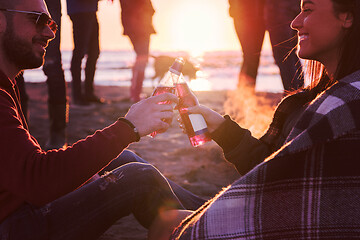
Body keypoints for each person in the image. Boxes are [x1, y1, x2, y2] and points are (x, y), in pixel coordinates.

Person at [150, 0, 360, 238]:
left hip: (285, 222)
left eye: (307, 9)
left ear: (347, 17)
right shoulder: (314, 99)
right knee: (139, 174)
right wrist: (218, 125)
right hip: (274, 209)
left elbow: (290, 195)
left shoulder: (343, 107)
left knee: (160, 214)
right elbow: (270, 169)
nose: (294, 22)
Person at [0, 0, 205, 238]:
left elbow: (23, 170)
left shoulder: (7, 85)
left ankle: (216, 208)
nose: (49, 33)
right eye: (37, 20)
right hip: (12, 226)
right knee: (140, 178)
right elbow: (37, 179)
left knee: (123, 159)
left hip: (17, 207)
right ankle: (216, 223)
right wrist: (129, 127)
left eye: (51, 24)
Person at [229, 0, 304, 92]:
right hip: (250, 8)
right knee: (284, 54)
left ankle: (298, 97)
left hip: (275, 7)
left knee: (284, 54)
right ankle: (299, 96)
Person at [66, 0, 104, 105]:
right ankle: (78, 96)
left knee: (94, 52)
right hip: (80, 10)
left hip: (90, 9)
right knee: (79, 52)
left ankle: (88, 93)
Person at [119, 0, 156, 102]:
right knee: (142, 58)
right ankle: (136, 94)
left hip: (136, 24)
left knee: (141, 58)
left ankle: (135, 92)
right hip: (140, 25)